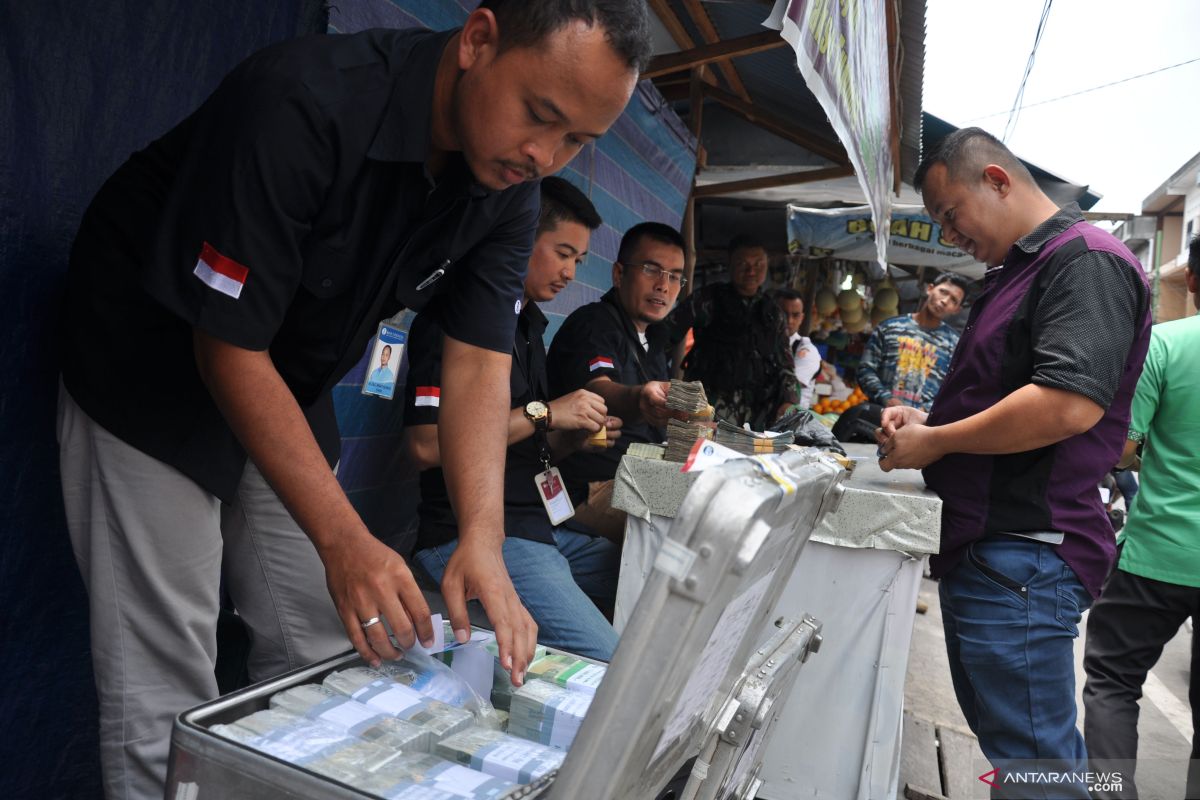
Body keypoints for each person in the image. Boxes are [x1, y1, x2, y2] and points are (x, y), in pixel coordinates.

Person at [55, 4, 650, 798]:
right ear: (477, 41)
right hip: (151, 362)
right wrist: (345, 539)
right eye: (540, 115)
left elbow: (478, 364)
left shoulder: (510, 188)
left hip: (284, 375)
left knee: (333, 642)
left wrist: (482, 537)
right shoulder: (301, 101)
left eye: (578, 140)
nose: (545, 154)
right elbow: (225, 345)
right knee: (170, 677)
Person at [876, 127, 1151, 797]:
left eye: (950, 216)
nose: (949, 237)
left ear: (997, 180)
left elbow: (1067, 405)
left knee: (1038, 774)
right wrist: (929, 422)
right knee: (1026, 758)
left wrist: (938, 442)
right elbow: (1002, 395)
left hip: (1026, 555)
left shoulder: (1085, 259)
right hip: (990, 553)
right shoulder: (1016, 272)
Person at [403, 176, 622, 661]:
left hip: (540, 525)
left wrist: (572, 436)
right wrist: (547, 411)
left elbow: (526, 436)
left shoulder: (529, 326)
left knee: (645, 577)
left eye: (579, 261)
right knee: (610, 661)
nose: (569, 272)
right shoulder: (449, 321)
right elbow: (424, 446)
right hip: (476, 534)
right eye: (563, 253)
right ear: (521, 235)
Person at [1082, 235, 1200, 799]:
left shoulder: (1167, 345)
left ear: (1192, 282)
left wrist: (1149, 450)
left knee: (1111, 681)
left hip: (1157, 554)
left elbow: (1121, 448)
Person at [546, 222, 684, 506]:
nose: (663, 285)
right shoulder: (593, 324)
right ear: (619, 274)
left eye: (674, 277)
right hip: (589, 488)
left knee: (725, 496)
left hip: (642, 475)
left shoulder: (656, 339)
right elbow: (599, 389)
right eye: (651, 270)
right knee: (693, 510)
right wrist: (640, 397)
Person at [665, 234, 797, 430]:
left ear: (767, 265)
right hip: (707, 410)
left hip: (757, 416)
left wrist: (788, 400)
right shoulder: (707, 300)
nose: (751, 270)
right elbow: (665, 335)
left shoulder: (772, 312)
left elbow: (785, 363)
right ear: (730, 264)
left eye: (758, 263)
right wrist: (660, 383)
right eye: (743, 263)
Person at [857, 272, 967, 411]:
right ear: (930, 289)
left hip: (920, 428)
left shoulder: (955, 346)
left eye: (953, 300)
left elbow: (953, 390)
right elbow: (865, 369)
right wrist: (886, 398)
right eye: (943, 292)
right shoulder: (890, 328)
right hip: (878, 415)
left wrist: (925, 410)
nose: (944, 301)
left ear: (957, 310)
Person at [775, 288, 821, 409]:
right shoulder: (766, 343)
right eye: (784, 314)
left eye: (795, 315)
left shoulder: (807, 350)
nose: (789, 321)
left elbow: (788, 389)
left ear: (801, 318)